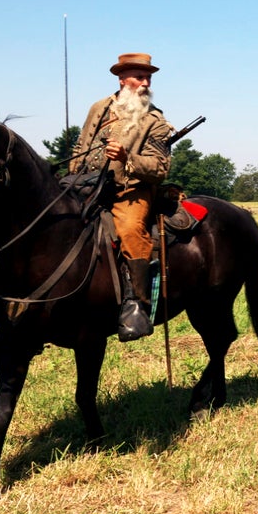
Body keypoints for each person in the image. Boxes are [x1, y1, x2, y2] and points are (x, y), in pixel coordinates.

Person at [71, 52, 173, 341]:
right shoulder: (99, 107)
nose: (145, 83)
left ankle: (137, 304)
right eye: (139, 77)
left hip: (131, 190)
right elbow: (81, 145)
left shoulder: (155, 120)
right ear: (122, 79)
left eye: (148, 78)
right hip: (88, 185)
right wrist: (73, 174)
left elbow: (160, 168)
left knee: (130, 230)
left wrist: (127, 157)